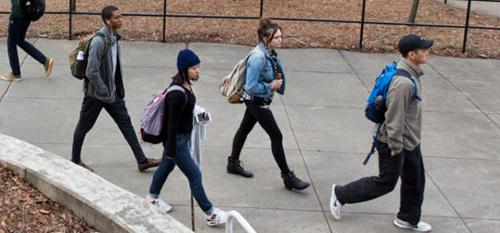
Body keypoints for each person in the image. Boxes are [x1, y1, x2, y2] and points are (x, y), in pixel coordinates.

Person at [330, 34, 433, 232]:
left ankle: (408, 218)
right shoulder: (404, 83)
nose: (427, 52)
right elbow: (394, 118)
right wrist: (395, 147)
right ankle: (341, 194)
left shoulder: (411, 74)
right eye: (424, 49)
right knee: (386, 182)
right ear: (412, 54)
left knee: (415, 179)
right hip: (393, 141)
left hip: (409, 140)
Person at [71, 5, 160, 172]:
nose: (120, 20)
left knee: (126, 124)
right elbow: (91, 71)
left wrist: (113, 90)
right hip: (96, 95)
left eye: (121, 16)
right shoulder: (99, 42)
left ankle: (142, 160)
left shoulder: (114, 38)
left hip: (113, 94)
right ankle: (75, 159)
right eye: (116, 17)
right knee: (83, 126)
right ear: (107, 20)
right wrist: (103, 90)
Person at [146, 48, 228, 227]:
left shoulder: (185, 84)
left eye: (198, 67)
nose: (197, 71)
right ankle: (210, 213)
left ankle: (152, 197)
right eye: (194, 68)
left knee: (166, 168)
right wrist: (170, 150)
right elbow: (171, 124)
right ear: (184, 69)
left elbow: (186, 109)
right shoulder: (176, 94)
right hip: (177, 142)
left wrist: (199, 113)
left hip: (181, 139)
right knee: (195, 175)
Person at [226, 18, 310, 191]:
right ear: (266, 39)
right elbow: (250, 86)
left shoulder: (270, 52)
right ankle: (287, 176)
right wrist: (270, 86)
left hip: (258, 100)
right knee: (277, 136)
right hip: (256, 101)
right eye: (276, 37)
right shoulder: (258, 57)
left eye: (281, 36)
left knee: (244, 129)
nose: (280, 40)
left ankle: (233, 163)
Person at [0, 0, 54, 82]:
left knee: (11, 44)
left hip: (18, 17)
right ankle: (44, 61)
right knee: (20, 41)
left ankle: (15, 73)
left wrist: (11, 17)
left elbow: (15, 3)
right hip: (28, 14)